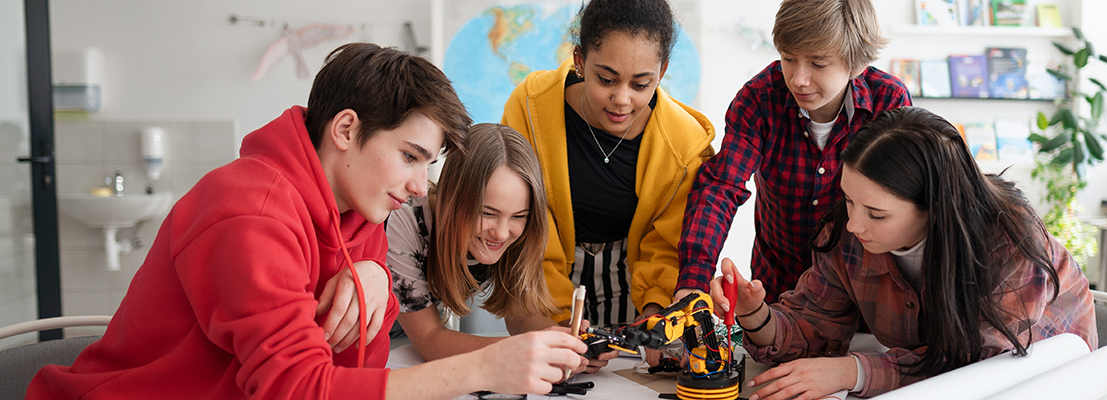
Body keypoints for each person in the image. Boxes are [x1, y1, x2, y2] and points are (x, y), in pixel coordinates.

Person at [27, 43, 585, 399]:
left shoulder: (361, 204)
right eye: (410, 156)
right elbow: (296, 389)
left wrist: (376, 276)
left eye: (428, 164)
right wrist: (484, 370)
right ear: (346, 130)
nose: (421, 186)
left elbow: (355, 363)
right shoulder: (251, 212)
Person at [710, 107, 1098, 399]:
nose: (853, 225)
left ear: (936, 208)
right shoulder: (848, 235)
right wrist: (755, 314)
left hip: (1044, 383)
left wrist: (851, 372)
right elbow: (814, 327)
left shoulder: (1010, 240)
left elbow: (976, 368)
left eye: (877, 214)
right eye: (848, 200)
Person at [676, 0, 912, 304]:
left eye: (818, 63)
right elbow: (722, 187)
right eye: (788, 58)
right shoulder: (759, 99)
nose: (798, 79)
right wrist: (694, 279)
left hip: (866, 294)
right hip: (779, 290)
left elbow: (906, 205)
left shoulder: (888, 101)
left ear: (856, 64)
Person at [501, 0, 715, 328]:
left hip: (635, 286)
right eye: (606, 79)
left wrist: (655, 310)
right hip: (540, 278)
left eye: (641, 84)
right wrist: (555, 320)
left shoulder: (684, 145)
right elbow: (526, 222)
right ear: (579, 61)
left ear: (663, 71)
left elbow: (667, 244)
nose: (622, 99)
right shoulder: (531, 108)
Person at [387, 123, 616, 373]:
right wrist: (524, 350)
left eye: (518, 216)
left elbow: (521, 315)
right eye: (487, 213)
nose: (501, 233)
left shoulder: (522, 234)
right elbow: (430, 339)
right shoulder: (404, 220)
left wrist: (562, 342)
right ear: (452, 197)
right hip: (372, 339)